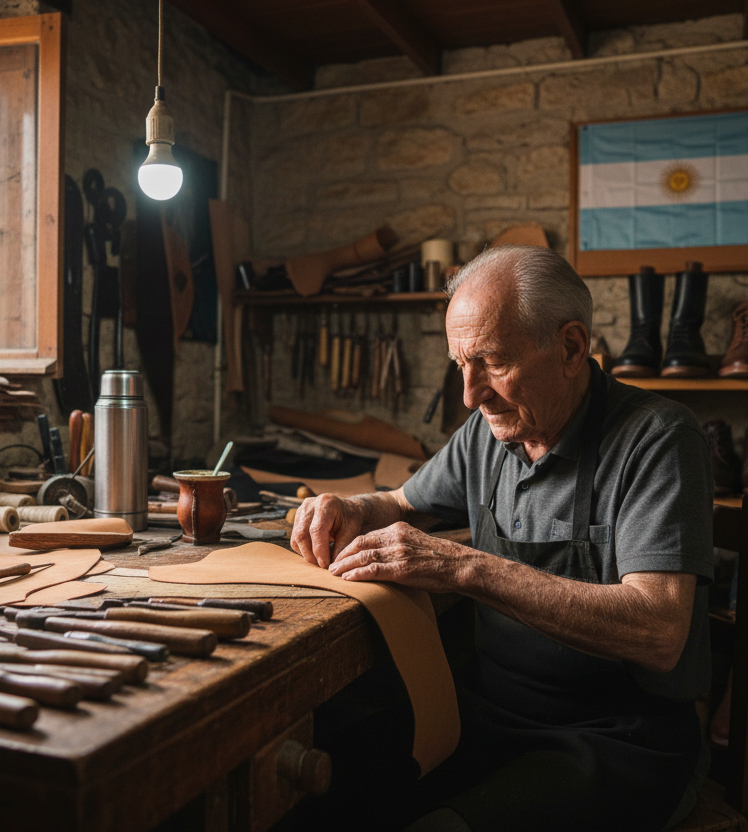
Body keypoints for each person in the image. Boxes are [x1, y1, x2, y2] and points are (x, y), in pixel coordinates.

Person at [290, 245, 714, 831]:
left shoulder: (658, 438)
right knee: (321, 785)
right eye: (460, 363)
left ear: (570, 347)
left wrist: (463, 566)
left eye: (492, 361)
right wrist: (347, 506)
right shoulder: (488, 434)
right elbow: (397, 503)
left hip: (615, 737)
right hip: (487, 711)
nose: (470, 394)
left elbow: (659, 630)